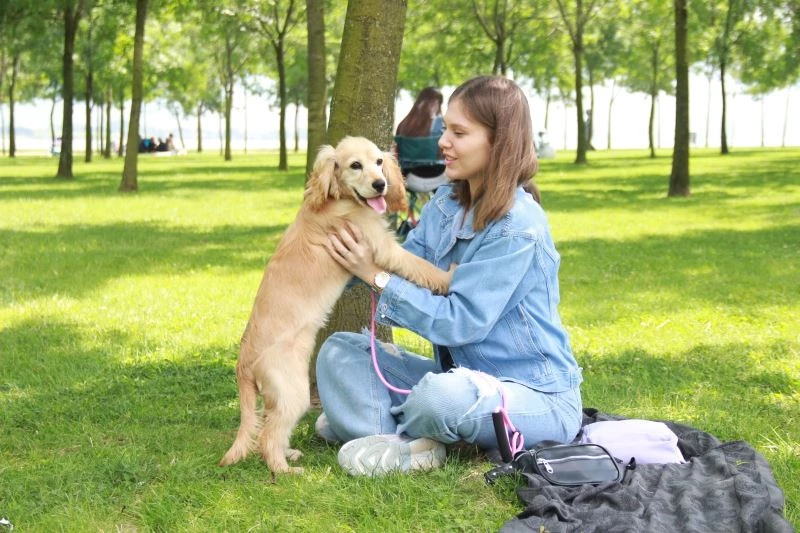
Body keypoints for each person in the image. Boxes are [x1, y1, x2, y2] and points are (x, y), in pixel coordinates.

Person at [317, 76, 583, 476]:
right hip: (458, 377)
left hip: (534, 394)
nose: (443, 141)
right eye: (445, 129)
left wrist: (374, 277)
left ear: (500, 141)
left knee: (440, 398)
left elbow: (459, 323)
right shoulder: (445, 202)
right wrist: (341, 241)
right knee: (339, 351)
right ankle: (400, 437)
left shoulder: (519, 226)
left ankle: (367, 420)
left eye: (459, 132)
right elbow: (403, 263)